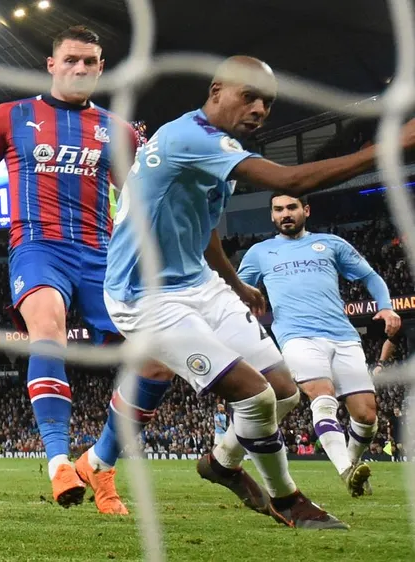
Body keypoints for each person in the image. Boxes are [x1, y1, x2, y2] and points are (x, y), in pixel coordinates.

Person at [103, 54, 415, 528]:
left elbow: (205, 227)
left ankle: (221, 463)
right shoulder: (191, 137)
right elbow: (290, 180)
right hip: (144, 296)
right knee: (257, 396)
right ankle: (288, 500)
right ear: (216, 92)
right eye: (247, 96)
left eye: (266, 103)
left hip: (199, 284)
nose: (258, 109)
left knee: (285, 389)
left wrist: (236, 284)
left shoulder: (213, 147)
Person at [0, 25, 173, 513]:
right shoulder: (12, 116)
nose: (80, 69)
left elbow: (136, 203)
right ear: (51, 64)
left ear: (101, 68)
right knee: (48, 331)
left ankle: (100, 464)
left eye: (89, 62)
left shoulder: (117, 130)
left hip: (102, 255)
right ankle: (59, 462)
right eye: (71, 60)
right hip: (38, 248)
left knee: (158, 361)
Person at [237, 193, 400, 495]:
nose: (285, 214)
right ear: (272, 216)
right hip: (296, 336)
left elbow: (370, 276)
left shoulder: (332, 244)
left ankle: (351, 464)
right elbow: (236, 289)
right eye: (278, 209)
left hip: (344, 336)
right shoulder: (260, 252)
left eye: (291, 208)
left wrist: (386, 306)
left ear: (306, 210)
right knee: (322, 397)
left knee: (366, 415)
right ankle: (345, 469)